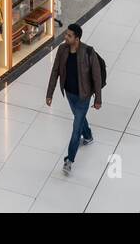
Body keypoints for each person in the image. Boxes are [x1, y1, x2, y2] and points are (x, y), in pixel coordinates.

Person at [44, 23, 103, 176]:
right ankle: (88, 136)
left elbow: (97, 77)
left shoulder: (88, 52)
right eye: (66, 34)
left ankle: (69, 160)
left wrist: (98, 99)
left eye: (69, 36)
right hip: (70, 94)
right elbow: (55, 71)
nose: (65, 37)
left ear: (77, 39)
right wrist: (49, 93)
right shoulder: (62, 50)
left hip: (84, 96)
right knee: (79, 118)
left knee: (76, 129)